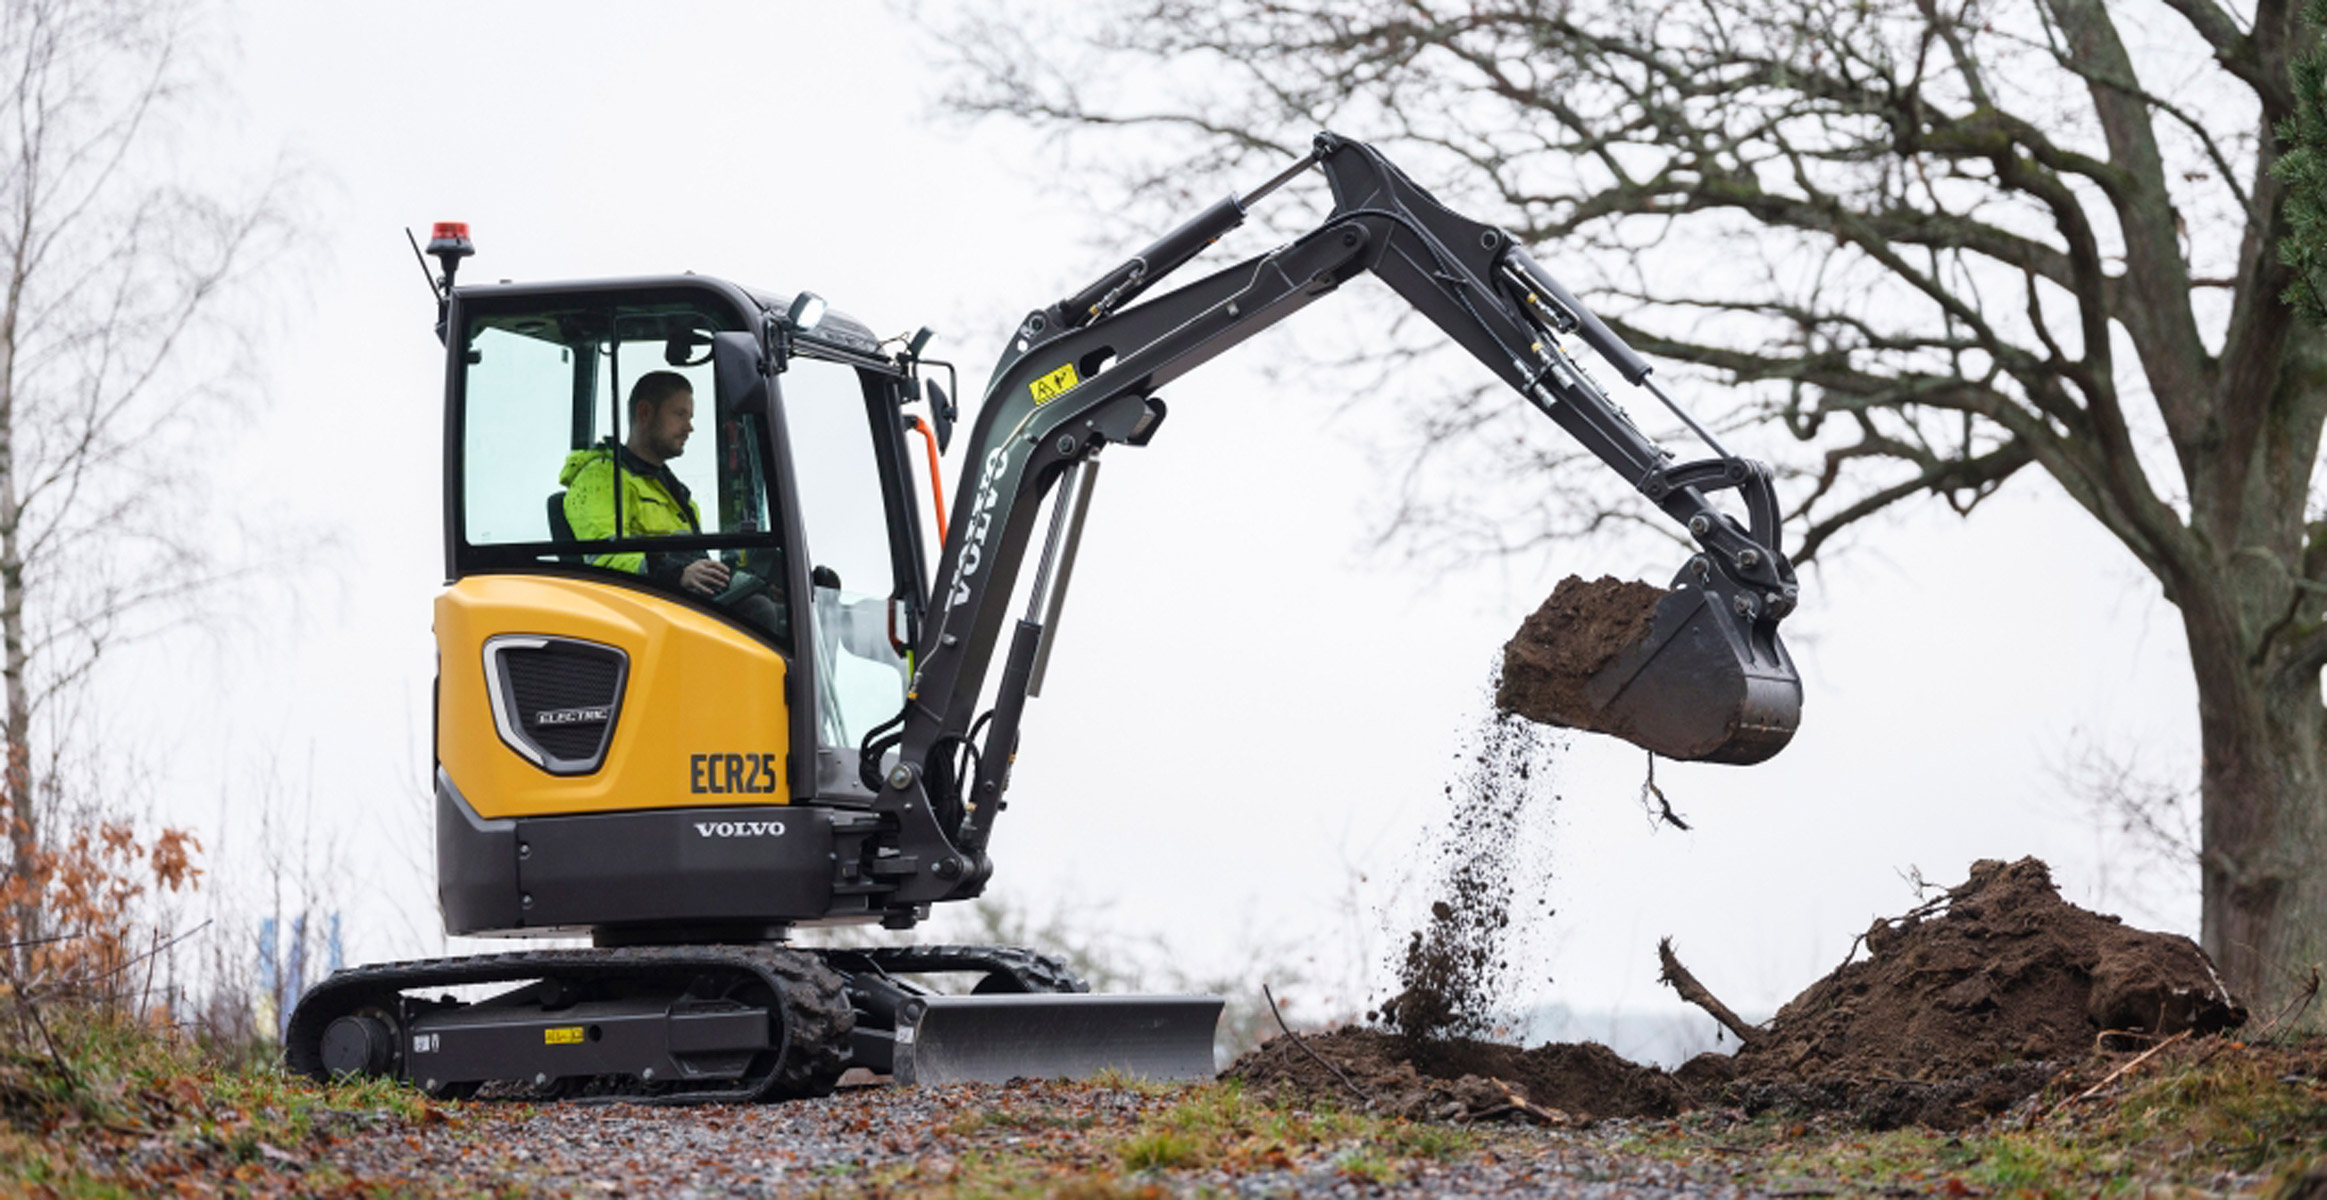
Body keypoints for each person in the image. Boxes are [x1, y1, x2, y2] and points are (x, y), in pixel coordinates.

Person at [560, 371, 783, 632]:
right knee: (759, 612)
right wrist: (678, 574)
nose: (689, 427)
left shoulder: (674, 491)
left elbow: (693, 557)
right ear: (645, 413)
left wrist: (755, 582)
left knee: (797, 609)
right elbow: (603, 560)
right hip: (646, 610)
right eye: (679, 415)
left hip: (682, 601)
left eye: (690, 417)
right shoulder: (600, 479)